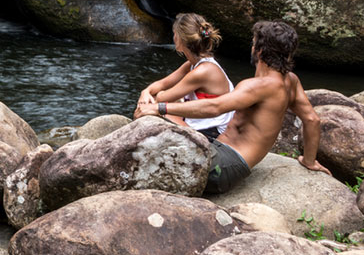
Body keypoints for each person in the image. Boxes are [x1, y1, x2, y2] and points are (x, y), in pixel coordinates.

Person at [134, 20, 331, 194]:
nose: (252, 47)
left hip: (222, 166)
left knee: (150, 133)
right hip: (227, 160)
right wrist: (309, 161)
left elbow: (215, 107)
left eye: (253, 43)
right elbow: (312, 119)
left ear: (259, 50)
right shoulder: (291, 81)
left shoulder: (257, 86)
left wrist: (160, 108)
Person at [138, 13, 234, 141]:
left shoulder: (204, 71)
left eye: (174, 34)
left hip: (212, 134)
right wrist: (146, 92)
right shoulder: (193, 64)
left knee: (145, 110)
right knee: (148, 106)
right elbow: (161, 84)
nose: (173, 37)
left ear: (181, 39)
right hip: (201, 125)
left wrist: (153, 95)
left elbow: (162, 97)